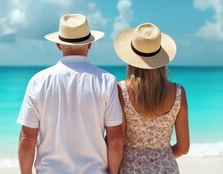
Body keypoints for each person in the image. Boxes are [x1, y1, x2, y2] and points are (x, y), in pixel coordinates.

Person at [17, 14, 124, 174]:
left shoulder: (38, 81)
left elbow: (27, 139)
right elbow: (115, 139)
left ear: (59, 45)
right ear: (89, 44)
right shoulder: (107, 81)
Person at [113, 23, 190, 174]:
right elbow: (183, 148)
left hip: (131, 169)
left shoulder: (121, 91)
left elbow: (117, 141)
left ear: (131, 59)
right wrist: (162, 156)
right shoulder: (179, 92)